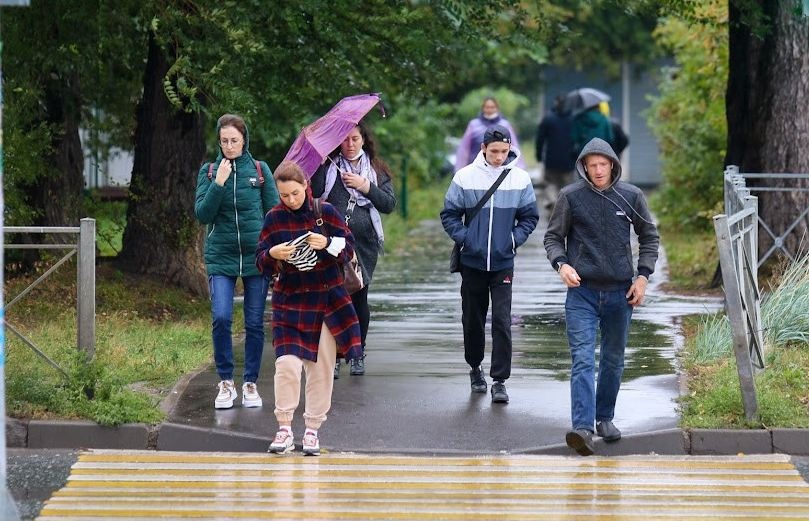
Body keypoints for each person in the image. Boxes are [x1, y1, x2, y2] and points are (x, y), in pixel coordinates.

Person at [543, 137, 659, 456]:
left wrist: (643, 277)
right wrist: (562, 264)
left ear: (612, 164)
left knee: (612, 359)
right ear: (583, 166)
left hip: (621, 292)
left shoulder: (631, 195)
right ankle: (582, 428)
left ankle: (604, 417)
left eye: (602, 164)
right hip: (582, 291)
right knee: (582, 357)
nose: (597, 170)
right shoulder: (570, 197)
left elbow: (649, 236)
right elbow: (553, 237)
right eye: (591, 165)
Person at [256, 161, 362, 456]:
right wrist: (273, 254)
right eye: (284, 195)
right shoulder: (274, 218)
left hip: (327, 300)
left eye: (294, 193)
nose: (290, 200)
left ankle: (312, 430)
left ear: (305, 186)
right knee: (286, 365)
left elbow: (349, 247)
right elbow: (260, 260)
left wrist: (327, 242)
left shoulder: (324, 211)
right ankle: (285, 428)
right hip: (290, 299)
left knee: (321, 369)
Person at [440, 124, 539, 404]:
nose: (499, 157)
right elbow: (449, 214)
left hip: (503, 261)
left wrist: (512, 240)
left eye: (504, 151)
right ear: (483, 148)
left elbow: (530, 217)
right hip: (472, 262)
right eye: (494, 151)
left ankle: (500, 381)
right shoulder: (465, 177)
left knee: (502, 321)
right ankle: (475, 367)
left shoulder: (519, 179)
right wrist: (466, 239)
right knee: (472, 319)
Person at [194, 114, 279, 410]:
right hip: (221, 255)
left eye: (234, 140)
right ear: (218, 141)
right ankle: (226, 382)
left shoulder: (260, 170)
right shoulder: (208, 172)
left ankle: (250, 383)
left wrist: (276, 251)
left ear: (244, 140)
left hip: (256, 257)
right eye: (224, 141)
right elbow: (203, 215)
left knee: (255, 323)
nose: (229, 146)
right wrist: (218, 183)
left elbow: (273, 213)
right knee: (221, 317)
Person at [310, 123, 397, 378]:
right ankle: (336, 355)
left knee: (359, 297)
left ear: (364, 140)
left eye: (355, 139)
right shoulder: (329, 166)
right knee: (335, 299)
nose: (350, 144)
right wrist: (319, 163)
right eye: (345, 140)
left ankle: (357, 352)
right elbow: (314, 194)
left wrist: (365, 185)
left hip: (364, 245)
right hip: (333, 242)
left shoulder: (376, 169)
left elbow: (389, 204)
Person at [454, 96, 525, 172]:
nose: (490, 110)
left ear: (497, 108)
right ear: (483, 108)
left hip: (500, 168)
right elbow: (464, 148)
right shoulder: (473, 125)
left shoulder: (505, 124)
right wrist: (459, 169)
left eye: (492, 107)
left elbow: (514, 146)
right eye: (487, 107)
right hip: (477, 167)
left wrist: (519, 169)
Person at [535, 94, 576, 209]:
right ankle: (565, 208)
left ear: (555, 103)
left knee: (550, 184)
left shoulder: (548, 118)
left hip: (551, 160)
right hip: (569, 160)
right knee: (568, 186)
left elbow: (540, 139)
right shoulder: (573, 119)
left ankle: (553, 200)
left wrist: (538, 156)